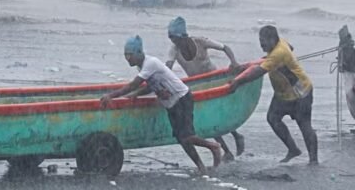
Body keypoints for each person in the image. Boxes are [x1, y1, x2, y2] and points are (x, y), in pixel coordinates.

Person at [100, 36, 221, 174]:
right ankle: (201, 167)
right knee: (182, 139)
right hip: (171, 103)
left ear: (139, 53)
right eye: (126, 55)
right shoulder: (142, 66)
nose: (128, 59)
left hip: (181, 98)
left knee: (187, 136)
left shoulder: (150, 63)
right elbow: (151, 85)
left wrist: (111, 96)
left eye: (130, 55)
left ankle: (213, 146)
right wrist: (137, 94)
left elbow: (133, 84)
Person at [228, 25, 318, 165]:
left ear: (272, 39)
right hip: (283, 94)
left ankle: (313, 160)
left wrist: (237, 82)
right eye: (259, 40)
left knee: (304, 125)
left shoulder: (278, 53)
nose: (261, 44)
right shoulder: (280, 43)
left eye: (264, 41)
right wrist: (273, 59)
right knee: (273, 118)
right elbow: (291, 47)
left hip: (300, 93)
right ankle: (293, 149)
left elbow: (259, 72)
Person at [165, 17, 245, 161]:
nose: (174, 43)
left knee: (221, 113)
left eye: (176, 39)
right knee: (210, 120)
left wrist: (234, 62)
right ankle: (226, 151)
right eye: (172, 39)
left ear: (183, 36)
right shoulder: (174, 50)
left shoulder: (200, 41)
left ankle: (236, 135)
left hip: (215, 81)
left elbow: (225, 48)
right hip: (198, 85)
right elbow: (168, 66)